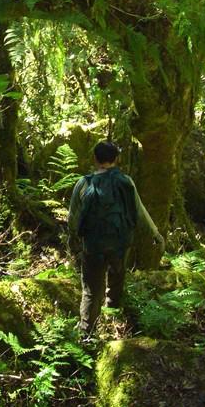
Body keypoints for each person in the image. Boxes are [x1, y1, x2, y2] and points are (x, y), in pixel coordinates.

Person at [67, 141, 164, 334]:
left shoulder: (84, 183)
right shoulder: (126, 182)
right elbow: (139, 211)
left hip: (93, 245)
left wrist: (74, 237)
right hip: (121, 242)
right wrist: (155, 233)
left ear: (94, 158)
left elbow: (73, 217)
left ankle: (87, 331)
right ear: (116, 159)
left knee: (91, 290)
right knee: (117, 275)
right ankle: (113, 310)